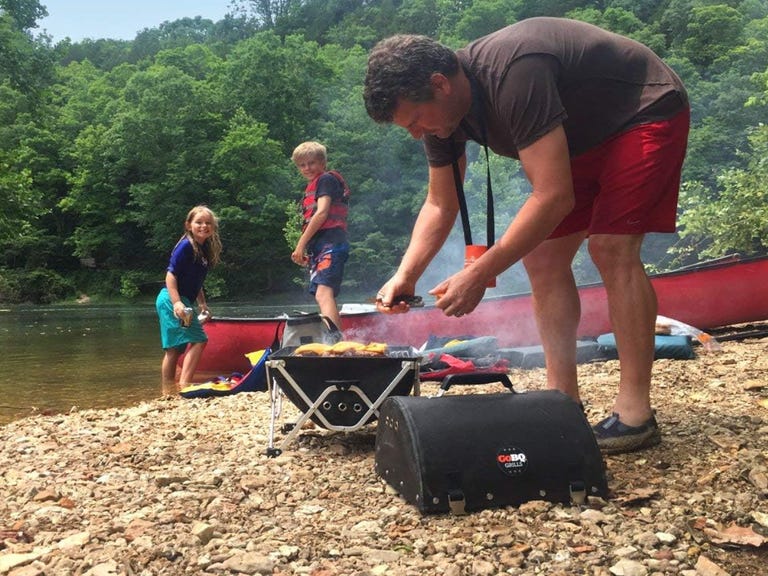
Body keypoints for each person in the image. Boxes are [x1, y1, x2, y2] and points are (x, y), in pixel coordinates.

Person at [363, 17, 690, 454]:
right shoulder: (443, 119)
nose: (417, 133)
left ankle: (635, 413)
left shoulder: (514, 73)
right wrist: (406, 275)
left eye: (416, 121)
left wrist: (479, 273)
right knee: (542, 259)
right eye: (409, 128)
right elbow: (440, 204)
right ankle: (562, 399)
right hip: (576, 141)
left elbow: (553, 196)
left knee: (610, 248)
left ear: (440, 84)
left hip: (640, 113)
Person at [155, 205, 222, 396]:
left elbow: (196, 281)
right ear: (188, 225)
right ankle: (184, 386)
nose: (204, 226)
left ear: (213, 227)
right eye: (199, 222)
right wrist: (177, 303)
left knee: (176, 348)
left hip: (183, 300)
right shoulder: (186, 246)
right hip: (170, 299)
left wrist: (202, 304)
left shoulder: (203, 250)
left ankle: (168, 392)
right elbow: (171, 275)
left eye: (208, 223)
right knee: (199, 340)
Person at [290, 141, 351, 338]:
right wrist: (308, 250)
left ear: (323, 163)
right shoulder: (314, 185)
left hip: (332, 243)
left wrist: (299, 245)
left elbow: (322, 212)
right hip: (322, 246)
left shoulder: (325, 180)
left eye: (312, 163)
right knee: (322, 294)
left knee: (323, 294)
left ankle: (335, 343)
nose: (307, 168)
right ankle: (336, 339)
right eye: (302, 165)